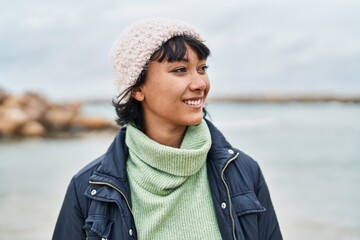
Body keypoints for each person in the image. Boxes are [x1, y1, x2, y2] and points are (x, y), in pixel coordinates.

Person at [52, 18, 282, 240]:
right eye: (180, 70)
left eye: (202, 68)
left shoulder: (243, 172)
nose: (200, 84)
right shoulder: (87, 189)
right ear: (137, 88)